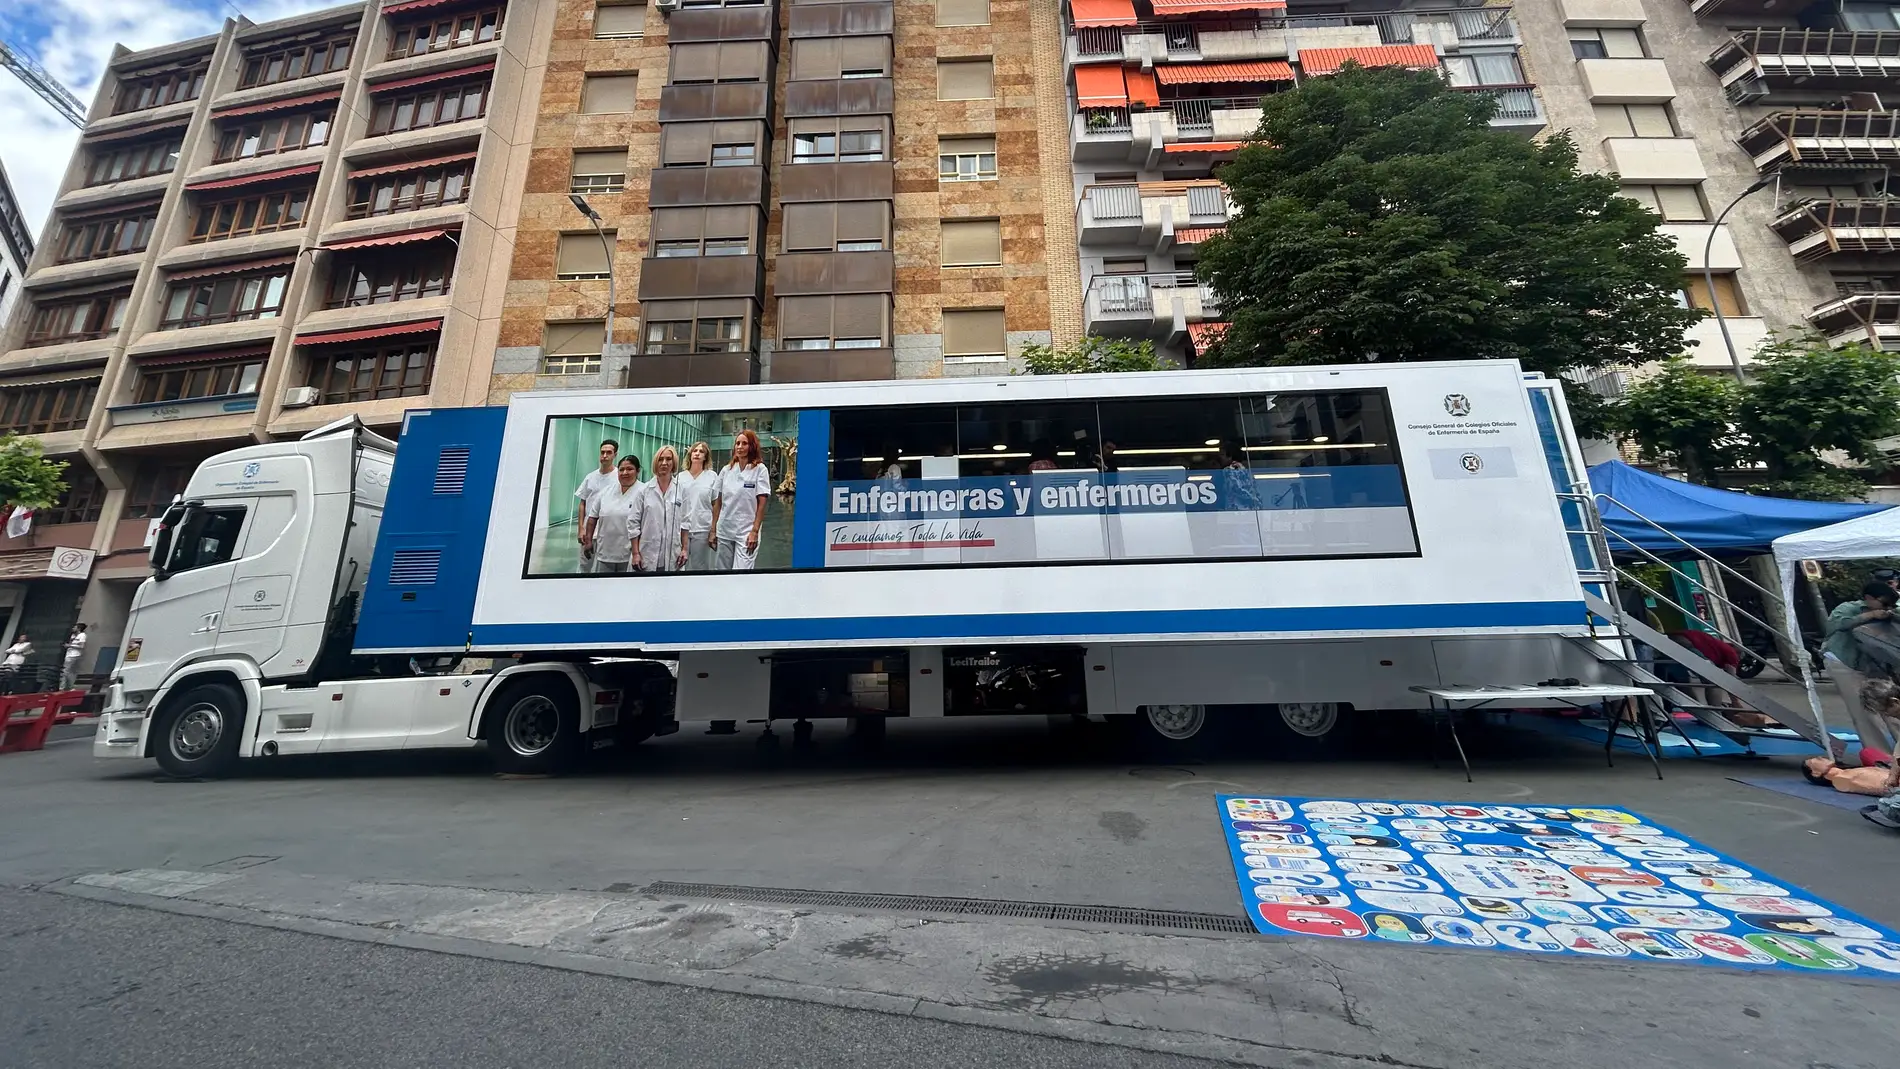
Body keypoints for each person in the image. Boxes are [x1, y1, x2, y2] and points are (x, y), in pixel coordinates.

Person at [1822, 581, 1900, 766]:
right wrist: (1871, 615)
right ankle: (1880, 758)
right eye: (1883, 603)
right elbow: (1835, 626)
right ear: (1869, 599)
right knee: (1865, 712)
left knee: (1893, 708)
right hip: (1844, 662)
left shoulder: (1893, 610)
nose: (1887, 608)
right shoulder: (1848, 608)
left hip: (1877, 666)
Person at [708, 429, 770, 571]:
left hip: (746, 531)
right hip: (725, 529)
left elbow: (762, 504)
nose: (740, 447)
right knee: (722, 572)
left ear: (752, 446)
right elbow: (718, 502)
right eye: (737, 443)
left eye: (744, 443)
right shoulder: (726, 470)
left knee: (742, 572)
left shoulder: (760, 470)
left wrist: (754, 531)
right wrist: (713, 530)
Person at [584, 455, 643, 574]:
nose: (625, 472)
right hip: (605, 551)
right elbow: (592, 518)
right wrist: (588, 540)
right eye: (621, 469)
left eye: (630, 469)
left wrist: (638, 553)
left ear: (637, 471)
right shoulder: (606, 492)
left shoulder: (644, 491)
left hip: (632, 554)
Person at [632, 446, 684, 573]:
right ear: (656, 462)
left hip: (673, 553)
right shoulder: (643, 490)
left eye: (668, 459)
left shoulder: (681, 490)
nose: (664, 463)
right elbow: (633, 524)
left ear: (674, 462)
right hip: (647, 553)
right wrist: (635, 553)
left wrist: (685, 549)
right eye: (661, 459)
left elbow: (686, 522)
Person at [573, 439, 620, 571]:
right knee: (584, 566)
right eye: (602, 452)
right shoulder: (590, 477)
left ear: (615, 455)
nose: (605, 456)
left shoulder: (619, 477)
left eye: (608, 453)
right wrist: (580, 528)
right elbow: (582, 503)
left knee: (605, 566)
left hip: (609, 531)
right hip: (589, 531)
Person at [676, 441, 718, 572]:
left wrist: (713, 530)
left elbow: (716, 504)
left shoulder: (712, 476)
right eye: (695, 451)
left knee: (699, 567)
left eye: (701, 452)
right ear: (690, 454)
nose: (697, 454)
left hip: (702, 529)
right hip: (681, 529)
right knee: (678, 565)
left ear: (706, 456)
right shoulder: (680, 478)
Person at [60, 624, 87, 691]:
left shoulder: (82, 635)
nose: (73, 628)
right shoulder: (73, 635)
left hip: (74, 655)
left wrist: (69, 646)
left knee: (65, 671)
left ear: (79, 628)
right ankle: (66, 687)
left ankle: (65, 687)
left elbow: (81, 646)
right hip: (69, 654)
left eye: (75, 627)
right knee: (67, 671)